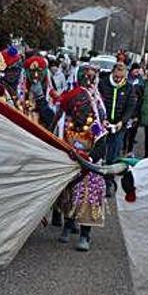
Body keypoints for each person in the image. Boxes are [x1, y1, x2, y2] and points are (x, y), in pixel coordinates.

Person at [57, 64, 108, 251]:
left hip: (89, 168)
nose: (81, 112)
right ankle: (67, 225)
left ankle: (85, 234)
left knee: (88, 197)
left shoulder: (94, 126)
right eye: (77, 108)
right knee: (68, 195)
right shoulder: (67, 125)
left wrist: (90, 160)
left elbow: (101, 144)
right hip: (71, 167)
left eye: (85, 107)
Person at [97, 62, 136, 196]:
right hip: (103, 125)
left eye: (121, 77)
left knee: (113, 154)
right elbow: (98, 102)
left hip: (119, 126)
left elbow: (131, 106)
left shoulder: (129, 88)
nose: (118, 79)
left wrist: (122, 121)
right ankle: (97, 181)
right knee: (100, 153)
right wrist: (103, 119)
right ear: (112, 73)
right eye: (116, 76)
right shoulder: (102, 84)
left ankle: (108, 182)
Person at [124, 63, 144, 156]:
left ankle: (129, 151)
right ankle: (123, 149)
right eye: (135, 70)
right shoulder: (126, 80)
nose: (137, 72)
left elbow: (141, 98)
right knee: (124, 133)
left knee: (132, 133)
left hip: (136, 111)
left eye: (138, 70)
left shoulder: (140, 82)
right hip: (126, 110)